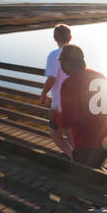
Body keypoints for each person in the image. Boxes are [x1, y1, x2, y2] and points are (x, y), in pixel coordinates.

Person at [55, 44, 107, 169]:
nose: (60, 66)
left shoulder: (69, 84)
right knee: (94, 169)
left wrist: (56, 116)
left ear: (68, 63)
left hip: (87, 143)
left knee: (82, 177)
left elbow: (68, 119)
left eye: (61, 62)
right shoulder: (98, 76)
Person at [40, 24, 74, 160]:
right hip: (74, 104)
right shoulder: (76, 55)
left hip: (59, 105)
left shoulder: (54, 55)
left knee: (56, 136)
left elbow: (52, 78)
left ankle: (76, 160)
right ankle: (83, 161)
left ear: (54, 38)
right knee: (71, 134)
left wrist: (43, 94)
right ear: (70, 37)